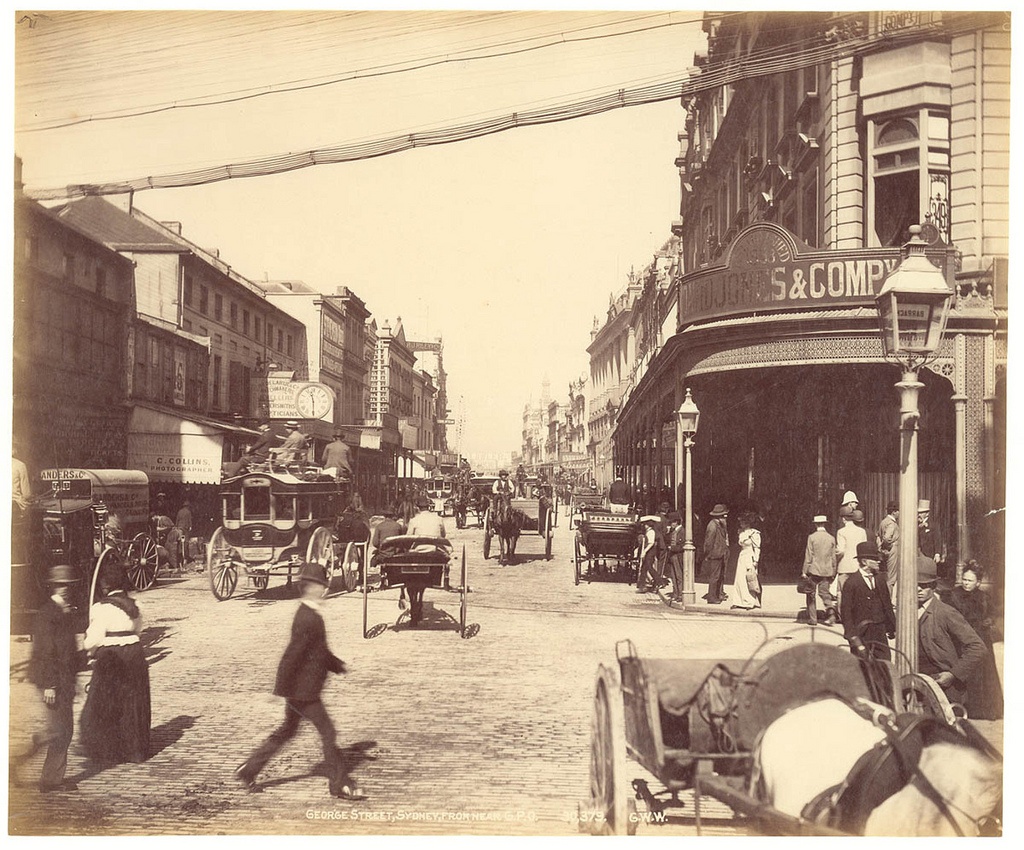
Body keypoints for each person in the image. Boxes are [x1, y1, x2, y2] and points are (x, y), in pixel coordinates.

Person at [235, 562, 357, 798]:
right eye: (321, 586)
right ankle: (340, 784)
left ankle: (248, 770)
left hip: (299, 689)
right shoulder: (307, 618)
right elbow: (292, 655)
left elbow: (318, 651)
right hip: (304, 692)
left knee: (287, 731)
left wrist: (338, 666)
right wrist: (280, 689)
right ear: (310, 586)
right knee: (328, 733)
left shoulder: (311, 614)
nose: (324, 590)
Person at [13, 564, 86, 792]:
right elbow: (45, 651)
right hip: (51, 681)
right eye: (60, 585)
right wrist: (50, 685)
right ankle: (50, 780)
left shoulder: (65, 610)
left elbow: (67, 650)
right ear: (53, 586)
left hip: (62, 679)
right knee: (61, 730)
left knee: (61, 729)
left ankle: (19, 758)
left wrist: (75, 676)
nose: (65, 589)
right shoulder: (48, 613)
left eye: (68, 585)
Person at [80, 560, 151, 764]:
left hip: (112, 656)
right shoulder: (136, 606)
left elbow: (93, 639)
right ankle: (135, 750)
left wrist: (89, 651)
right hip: (135, 654)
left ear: (105, 585)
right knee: (134, 701)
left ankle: (108, 751)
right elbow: (137, 631)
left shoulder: (100, 608)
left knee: (106, 702)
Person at [916, 559, 987, 708]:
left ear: (934, 586)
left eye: (923, 585)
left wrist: (953, 674)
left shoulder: (946, 613)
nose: (918, 589)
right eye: (915, 584)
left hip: (944, 690)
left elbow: (977, 647)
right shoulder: (908, 612)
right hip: (916, 687)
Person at [948, 563, 1003, 719]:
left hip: (981, 638)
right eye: (964, 579)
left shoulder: (984, 597)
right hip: (962, 639)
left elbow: (992, 614)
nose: (966, 583)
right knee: (967, 670)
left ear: (978, 582)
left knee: (984, 673)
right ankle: (967, 708)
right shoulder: (954, 595)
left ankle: (985, 710)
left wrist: (988, 622)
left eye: (970, 581)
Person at [840, 542, 896, 660]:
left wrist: (892, 627)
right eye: (874, 559)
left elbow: (887, 605)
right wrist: (852, 636)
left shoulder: (880, 579)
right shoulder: (851, 582)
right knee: (861, 664)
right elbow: (846, 612)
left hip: (879, 631)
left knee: (885, 662)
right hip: (860, 632)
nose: (879, 561)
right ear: (864, 562)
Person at [802, 514, 838, 626]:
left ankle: (813, 619)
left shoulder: (812, 537)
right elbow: (833, 557)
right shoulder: (831, 538)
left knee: (810, 594)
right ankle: (831, 612)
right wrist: (833, 570)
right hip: (827, 571)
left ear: (816, 524)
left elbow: (809, 555)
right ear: (824, 524)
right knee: (825, 593)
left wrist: (804, 571)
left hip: (814, 570)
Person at [834, 508, 867, 614]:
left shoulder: (841, 532)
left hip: (844, 566)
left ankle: (843, 616)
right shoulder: (862, 532)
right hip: (858, 566)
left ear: (843, 519)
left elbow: (841, 551)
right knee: (858, 593)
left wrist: (835, 558)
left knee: (842, 593)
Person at [731, 511, 761, 609]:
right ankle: (738, 600)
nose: (741, 523)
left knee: (749, 578)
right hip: (742, 556)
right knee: (739, 578)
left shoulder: (754, 533)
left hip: (749, 556)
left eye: (743, 522)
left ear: (748, 523)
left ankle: (749, 602)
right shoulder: (741, 532)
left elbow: (757, 548)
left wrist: (756, 560)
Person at [702, 504, 730, 604]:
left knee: (719, 576)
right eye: (724, 516)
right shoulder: (713, 526)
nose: (725, 518)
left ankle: (717, 594)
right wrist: (707, 554)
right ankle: (712, 597)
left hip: (721, 553)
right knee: (714, 576)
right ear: (719, 516)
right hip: (715, 554)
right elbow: (708, 542)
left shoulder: (720, 525)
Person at [876, 500, 900, 595]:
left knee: (887, 576)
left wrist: (881, 548)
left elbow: (878, 536)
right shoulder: (891, 524)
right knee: (891, 578)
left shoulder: (883, 521)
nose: (899, 513)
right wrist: (889, 546)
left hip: (886, 551)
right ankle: (888, 601)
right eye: (898, 511)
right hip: (893, 550)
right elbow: (886, 538)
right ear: (894, 512)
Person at [636, 516, 661, 593]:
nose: (644, 526)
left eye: (645, 524)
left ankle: (659, 581)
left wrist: (644, 551)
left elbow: (651, 543)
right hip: (648, 552)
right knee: (644, 569)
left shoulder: (651, 532)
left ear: (648, 525)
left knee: (649, 568)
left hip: (650, 552)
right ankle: (642, 585)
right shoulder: (648, 532)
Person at [665, 512, 685, 603]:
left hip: (678, 555)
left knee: (679, 575)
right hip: (672, 555)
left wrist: (672, 548)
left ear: (676, 522)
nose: (671, 524)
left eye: (672, 522)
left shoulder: (682, 531)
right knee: (673, 576)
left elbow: (682, 545)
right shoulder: (673, 531)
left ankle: (680, 594)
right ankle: (676, 593)